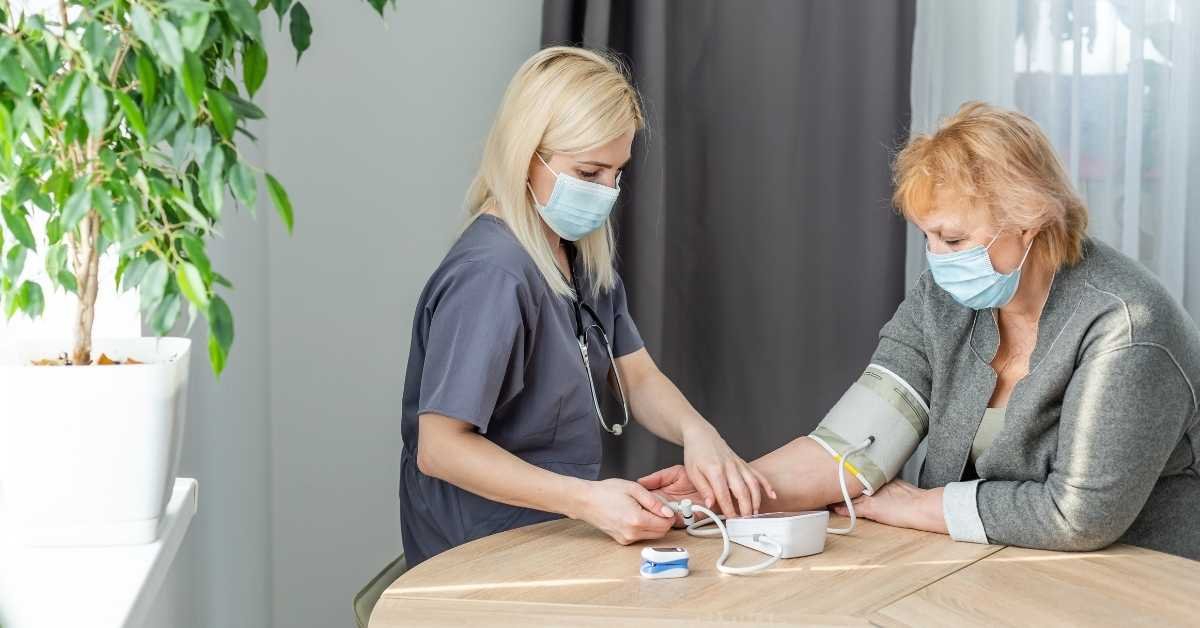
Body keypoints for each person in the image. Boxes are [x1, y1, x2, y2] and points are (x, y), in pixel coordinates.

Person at [642, 102, 1200, 560]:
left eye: (953, 240)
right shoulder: (947, 297)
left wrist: (916, 507)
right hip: (997, 566)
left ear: (1030, 218)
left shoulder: (1125, 323)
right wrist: (722, 492)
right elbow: (853, 447)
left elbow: (1078, 517)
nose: (936, 259)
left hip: (1145, 578)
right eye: (927, 237)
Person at [398, 46, 774, 567]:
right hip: (477, 557)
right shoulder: (492, 275)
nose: (607, 193)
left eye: (616, 174)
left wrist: (699, 434)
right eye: (590, 172)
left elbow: (636, 377)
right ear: (527, 153)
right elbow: (440, 448)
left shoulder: (574, 255)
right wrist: (588, 499)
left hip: (548, 539)